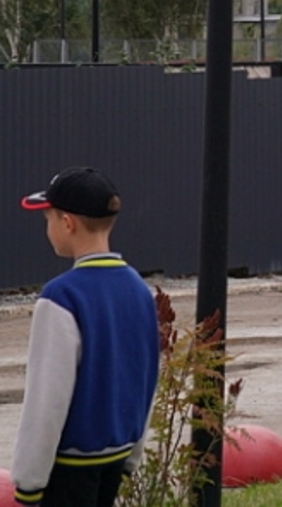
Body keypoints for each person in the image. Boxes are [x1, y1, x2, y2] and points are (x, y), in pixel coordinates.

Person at [12, 167, 160, 507]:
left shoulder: (61, 297)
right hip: (115, 458)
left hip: (67, 468)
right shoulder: (138, 289)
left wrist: (29, 485)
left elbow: (47, 398)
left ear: (67, 223)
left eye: (47, 219)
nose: (47, 230)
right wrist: (132, 454)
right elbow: (147, 374)